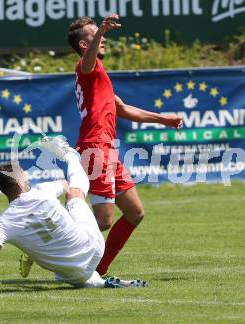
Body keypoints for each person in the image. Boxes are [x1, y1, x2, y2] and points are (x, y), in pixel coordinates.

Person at [0, 136, 146, 296]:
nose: (27, 176)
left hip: (73, 274)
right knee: (75, 193)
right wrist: (66, 159)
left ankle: (97, 282)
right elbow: (66, 185)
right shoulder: (43, 190)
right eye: (24, 174)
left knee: (66, 268)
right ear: (19, 182)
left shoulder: (2, 224)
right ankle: (70, 156)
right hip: (93, 247)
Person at [66, 14, 183, 276]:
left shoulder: (98, 74)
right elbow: (86, 62)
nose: (103, 37)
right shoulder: (87, 67)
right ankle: (53, 246)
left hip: (106, 149)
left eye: (102, 33)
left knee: (134, 212)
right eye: (95, 34)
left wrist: (162, 119)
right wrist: (100, 32)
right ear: (85, 45)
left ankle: (98, 269)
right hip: (96, 148)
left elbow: (122, 108)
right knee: (103, 220)